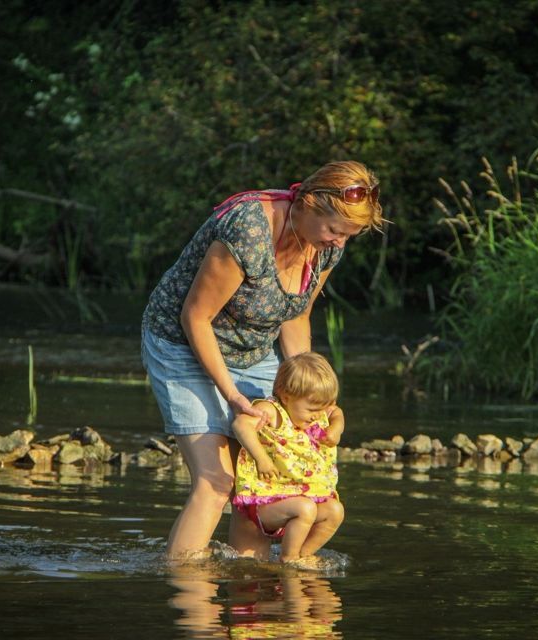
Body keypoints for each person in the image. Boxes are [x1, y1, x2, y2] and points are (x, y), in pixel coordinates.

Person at [141, 160, 383, 560]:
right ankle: (190, 601)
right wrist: (233, 395)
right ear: (306, 203)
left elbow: (296, 314)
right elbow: (195, 317)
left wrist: (308, 381)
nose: (340, 243)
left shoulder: (324, 248)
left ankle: (247, 595)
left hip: (253, 347)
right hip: (182, 341)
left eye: (349, 236)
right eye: (335, 231)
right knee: (217, 480)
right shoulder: (249, 229)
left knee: (261, 482)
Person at [231, 352, 345, 564]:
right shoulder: (272, 411)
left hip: (298, 498)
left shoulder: (318, 411)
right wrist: (261, 458)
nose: (317, 416)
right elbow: (241, 425)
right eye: (312, 409)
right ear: (285, 397)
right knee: (305, 508)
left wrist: (336, 429)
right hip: (264, 501)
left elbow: (336, 412)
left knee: (335, 511)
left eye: (321, 409)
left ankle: (304, 555)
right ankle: (289, 559)